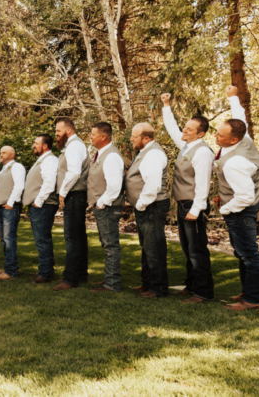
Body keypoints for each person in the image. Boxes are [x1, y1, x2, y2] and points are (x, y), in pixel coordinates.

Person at [214, 86, 259, 311]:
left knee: (248, 255)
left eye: (219, 135)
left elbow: (244, 196)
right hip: (243, 207)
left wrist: (225, 209)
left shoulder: (235, 163)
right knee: (242, 253)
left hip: (240, 210)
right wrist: (233, 97)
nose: (215, 136)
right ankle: (248, 292)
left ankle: (254, 300)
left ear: (234, 139)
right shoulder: (245, 138)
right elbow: (239, 118)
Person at [162, 93, 215, 303]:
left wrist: (195, 209)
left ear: (200, 133)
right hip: (184, 204)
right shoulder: (186, 146)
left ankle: (203, 293)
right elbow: (171, 128)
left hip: (193, 205)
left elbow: (203, 183)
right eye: (185, 127)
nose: (184, 130)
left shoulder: (202, 152)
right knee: (187, 249)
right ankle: (191, 286)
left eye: (189, 129)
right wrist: (166, 105)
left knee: (197, 250)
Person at [125, 123, 170, 298]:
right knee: (146, 247)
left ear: (146, 138)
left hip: (152, 205)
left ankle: (158, 288)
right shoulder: (145, 152)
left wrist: (140, 204)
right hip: (147, 205)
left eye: (134, 137)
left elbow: (153, 184)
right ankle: (148, 283)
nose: (131, 139)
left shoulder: (153, 154)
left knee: (154, 248)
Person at [87, 122, 126, 293]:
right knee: (107, 244)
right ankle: (109, 279)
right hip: (104, 207)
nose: (90, 137)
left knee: (110, 245)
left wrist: (100, 203)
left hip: (108, 207)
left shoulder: (111, 157)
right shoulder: (102, 154)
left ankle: (112, 284)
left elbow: (114, 187)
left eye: (93, 134)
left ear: (103, 136)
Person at [53, 118, 91, 291]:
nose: (56, 134)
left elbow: (74, 172)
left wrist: (63, 191)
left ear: (68, 130)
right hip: (76, 195)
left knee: (72, 237)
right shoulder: (73, 145)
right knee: (79, 236)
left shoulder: (74, 146)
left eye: (58, 131)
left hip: (74, 194)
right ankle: (80, 274)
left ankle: (70, 278)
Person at [23, 135, 59, 284]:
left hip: (44, 205)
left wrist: (38, 202)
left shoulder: (50, 160)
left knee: (42, 239)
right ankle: (45, 269)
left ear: (45, 146)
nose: (34, 145)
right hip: (41, 205)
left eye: (36, 143)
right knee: (41, 239)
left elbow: (49, 183)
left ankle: (45, 274)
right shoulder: (43, 159)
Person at [0, 146, 26, 281]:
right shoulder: (3, 170)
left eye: (4, 152)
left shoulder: (17, 167)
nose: (1, 154)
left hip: (10, 208)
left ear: (12, 155)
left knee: (9, 239)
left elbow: (19, 186)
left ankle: (11, 272)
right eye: (0, 152)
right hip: (1, 208)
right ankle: (9, 267)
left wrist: (10, 203)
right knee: (4, 240)